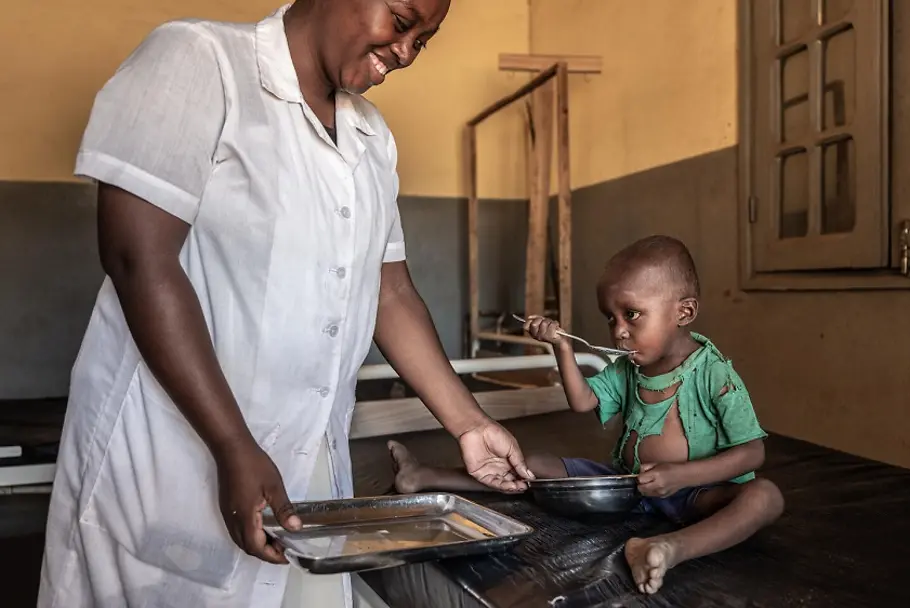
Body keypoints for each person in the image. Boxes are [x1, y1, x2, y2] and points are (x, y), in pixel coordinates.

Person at [38, 1, 536, 607]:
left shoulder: (370, 135)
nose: (407, 52)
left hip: (305, 465)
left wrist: (471, 423)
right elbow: (138, 261)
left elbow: (389, 289)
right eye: (402, 22)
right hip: (169, 458)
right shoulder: (201, 61)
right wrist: (232, 445)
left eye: (423, 41)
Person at [388, 235, 784, 595]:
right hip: (625, 485)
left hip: (696, 494)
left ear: (684, 312)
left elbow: (752, 454)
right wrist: (560, 346)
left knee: (764, 497)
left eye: (632, 314)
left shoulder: (715, 374)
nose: (618, 332)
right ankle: (424, 476)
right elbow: (582, 402)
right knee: (534, 465)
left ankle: (668, 548)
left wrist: (681, 476)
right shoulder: (629, 368)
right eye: (610, 318)